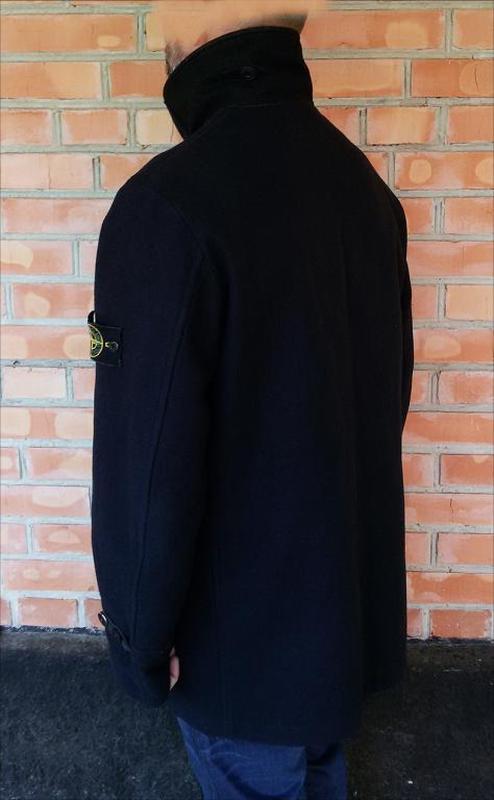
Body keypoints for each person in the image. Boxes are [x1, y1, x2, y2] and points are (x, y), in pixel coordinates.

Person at [88, 4, 414, 798]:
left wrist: (140, 641)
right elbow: (385, 403)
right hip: (337, 628)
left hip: (232, 652)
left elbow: (145, 461)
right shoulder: (364, 190)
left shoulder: (166, 207)